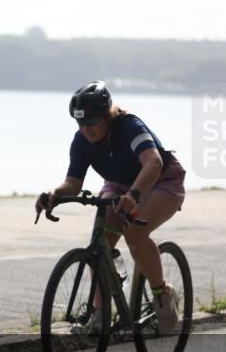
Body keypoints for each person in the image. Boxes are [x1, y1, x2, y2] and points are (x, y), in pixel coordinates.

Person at [35, 80, 186, 334]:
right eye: (80, 123)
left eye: (92, 122)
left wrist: (134, 195)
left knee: (135, 233)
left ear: (106, 115)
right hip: (119, 185)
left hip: (161, 180)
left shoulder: (129, 127)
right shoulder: (82, 140)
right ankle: (100, 316)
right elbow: (72, 183)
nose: (86, 129)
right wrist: (53, 194)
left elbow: (153, 163)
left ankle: (162, 295)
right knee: (101, 243)